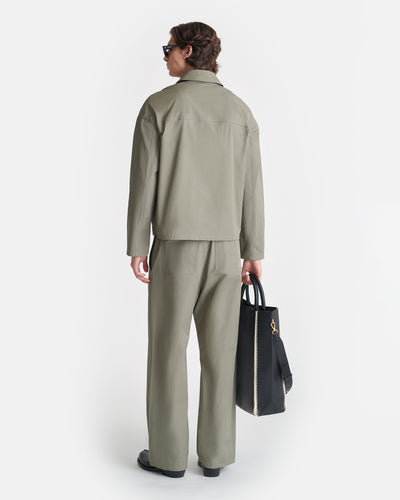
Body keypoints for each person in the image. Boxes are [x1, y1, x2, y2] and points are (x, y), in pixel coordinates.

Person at [127, 22, 265, 478]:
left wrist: (137, 244)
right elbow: (252, 187)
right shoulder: (240, 111)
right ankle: (216, 456)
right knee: (221, 353)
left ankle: (167, 458)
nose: (164, 55)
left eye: (168, 48)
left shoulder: (159, 107)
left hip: (175, 247)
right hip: (226, 250)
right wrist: (253, 249)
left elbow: (144, 181)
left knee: (168, 350)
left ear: (188, 51)